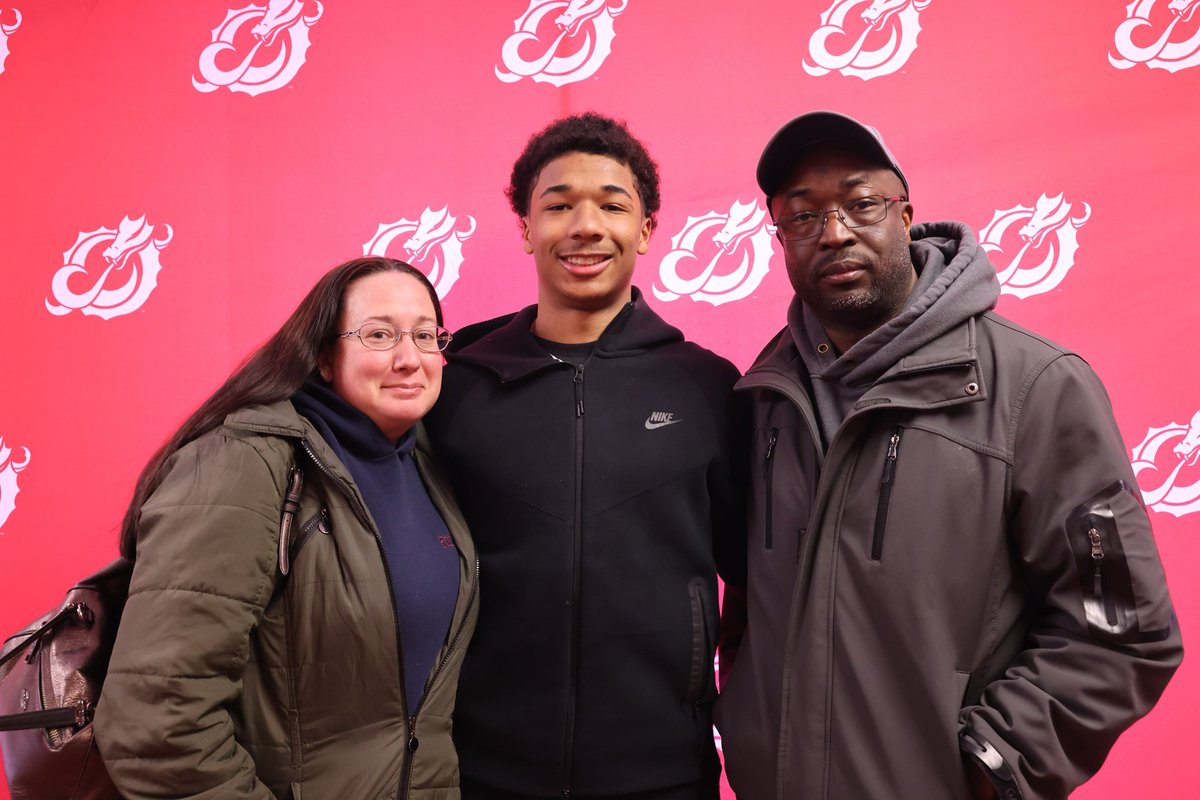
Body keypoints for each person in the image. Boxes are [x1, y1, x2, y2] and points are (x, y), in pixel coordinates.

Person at [714, 111, 1183, 800]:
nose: (835, 232)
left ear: (906, 213)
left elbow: (1123, 627)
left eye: (860, 202)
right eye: (802, 217)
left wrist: (996, 762)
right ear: (780, 241)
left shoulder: (1034, 386)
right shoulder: (764, 397)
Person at [424, 112, 745, 800]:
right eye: (559, 205)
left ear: (648, 229)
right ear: (526, 228)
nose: (585, 226)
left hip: (663, 772)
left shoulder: (709, 387)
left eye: (611, 204)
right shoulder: (455, 388)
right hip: (478, 772)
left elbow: (755, 575)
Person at [95, 256, 478, 799]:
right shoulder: (245, 463)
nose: (409, 358)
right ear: (324, 356)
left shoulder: (429, 467)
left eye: (425, 335)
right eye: (378, 335)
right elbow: (157, 720)